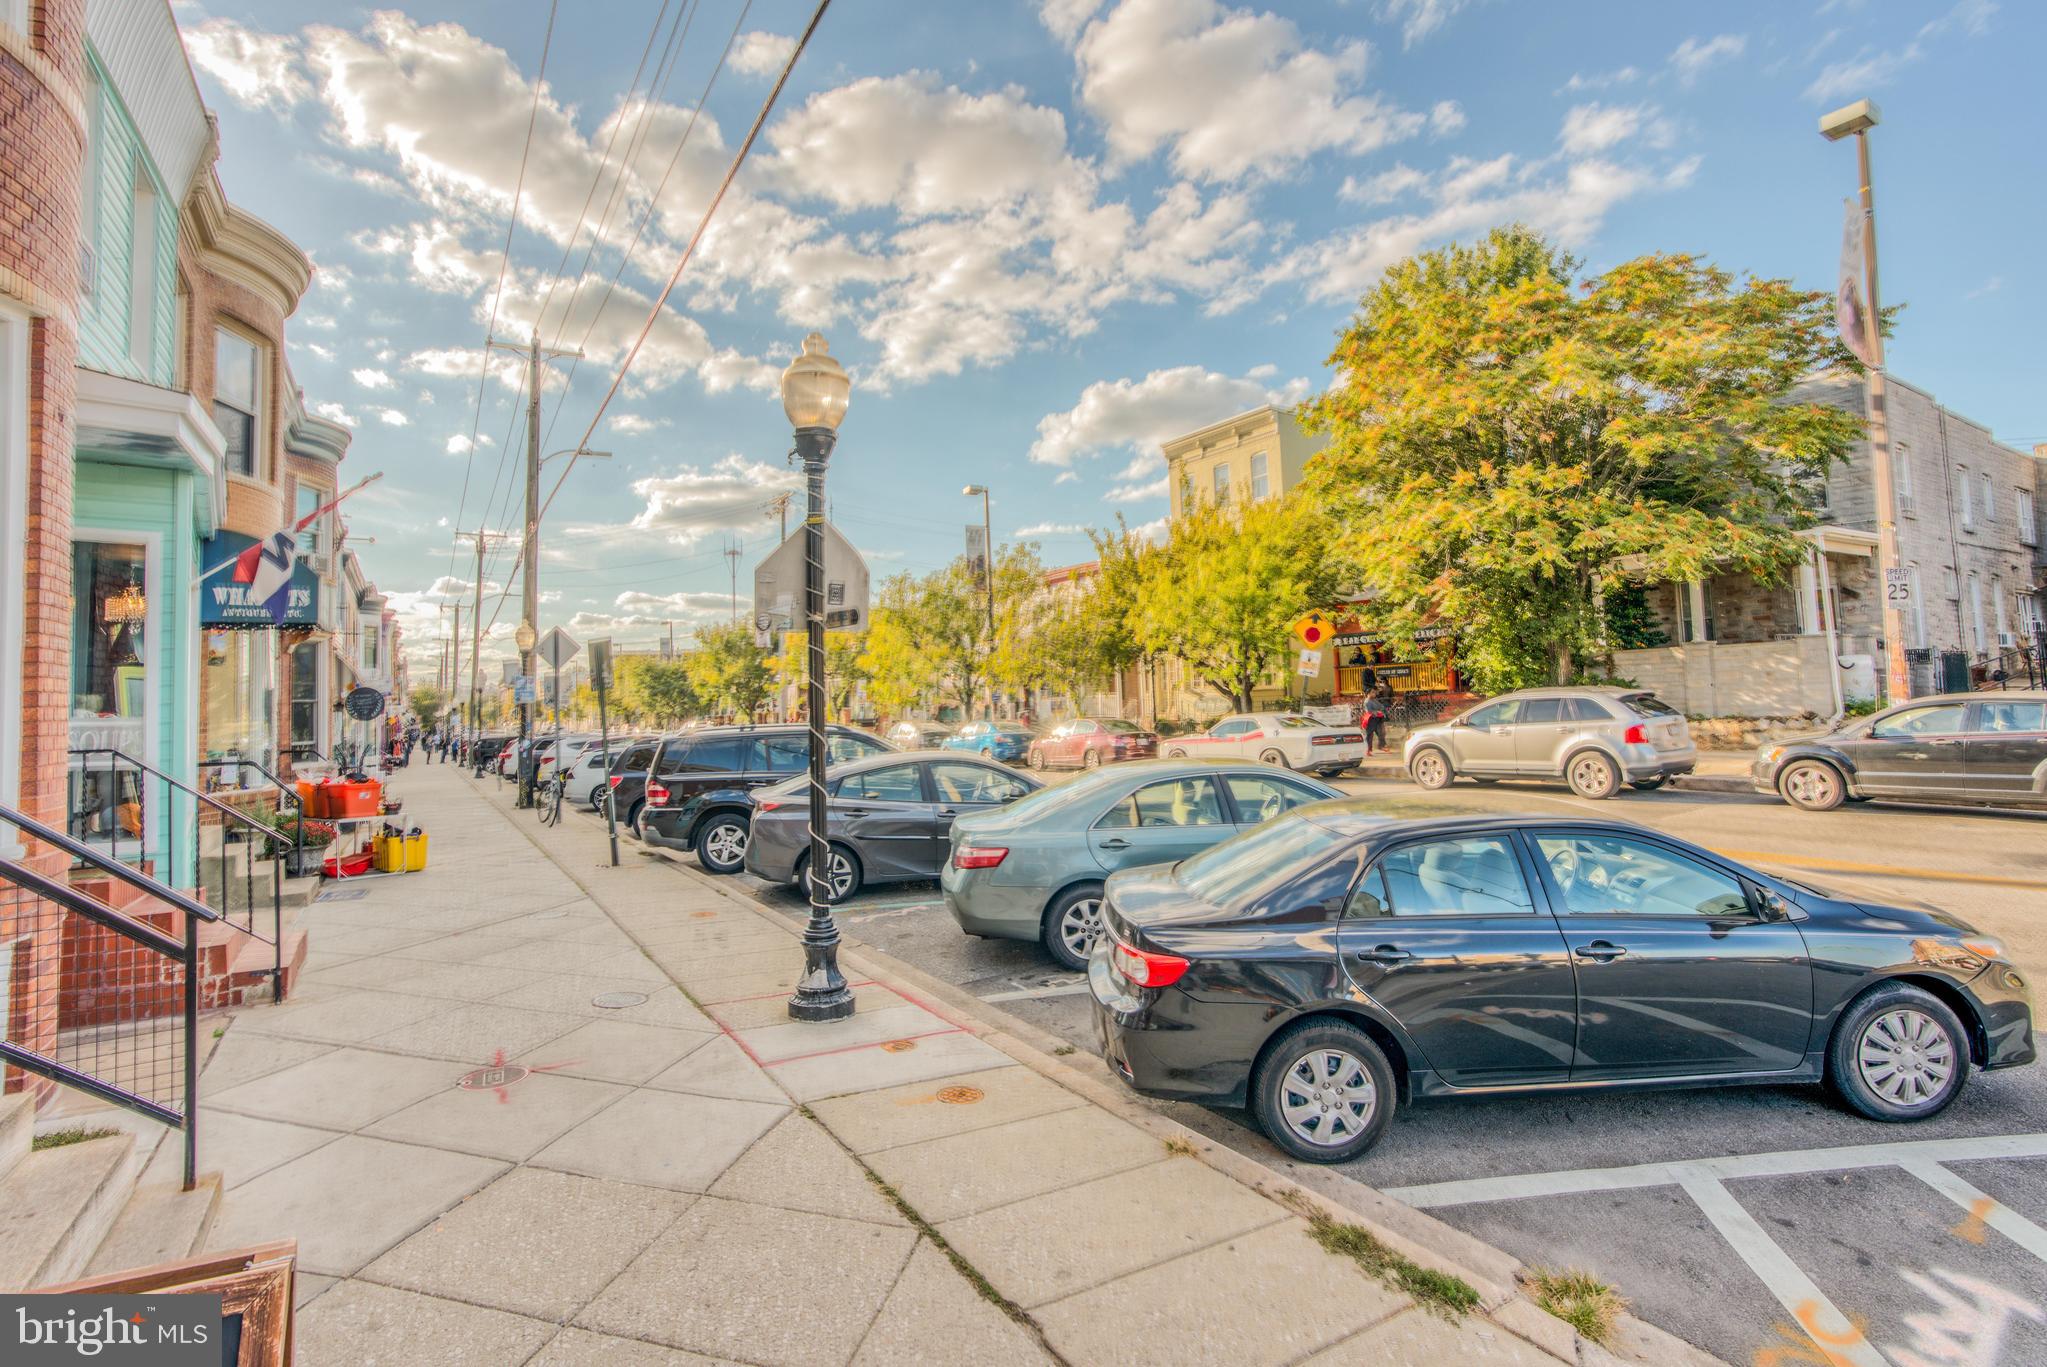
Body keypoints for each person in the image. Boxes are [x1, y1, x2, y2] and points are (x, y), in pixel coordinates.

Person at [1361, 688, 1388, 755]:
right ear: (1368, 694)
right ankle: (1368, 750)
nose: (1374, 694)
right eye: (1373, 692)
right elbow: (1369, 711)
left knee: (1381, 733)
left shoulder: (1374, 700)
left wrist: (1381, 710)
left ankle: (1381, 746)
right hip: (1371, 719)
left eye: (1374, 692)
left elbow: (1381, 706)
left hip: (1378, 719)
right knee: (1370, 735)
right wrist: (1377, 712)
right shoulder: (1367, 702)